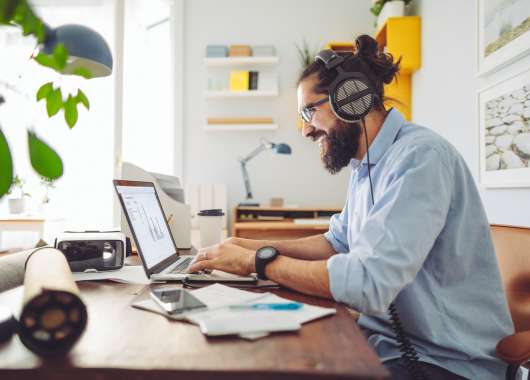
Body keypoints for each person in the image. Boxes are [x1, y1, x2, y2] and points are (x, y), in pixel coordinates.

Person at [188, 34, 514, 379]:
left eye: (308, 111)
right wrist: (248, 247)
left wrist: (258, 262)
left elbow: (368, 284)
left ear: (351, 99)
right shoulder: (366, 166)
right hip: (384, 343)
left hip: (445, 362)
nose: (305, 130)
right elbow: (337, 243)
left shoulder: (420, 158)